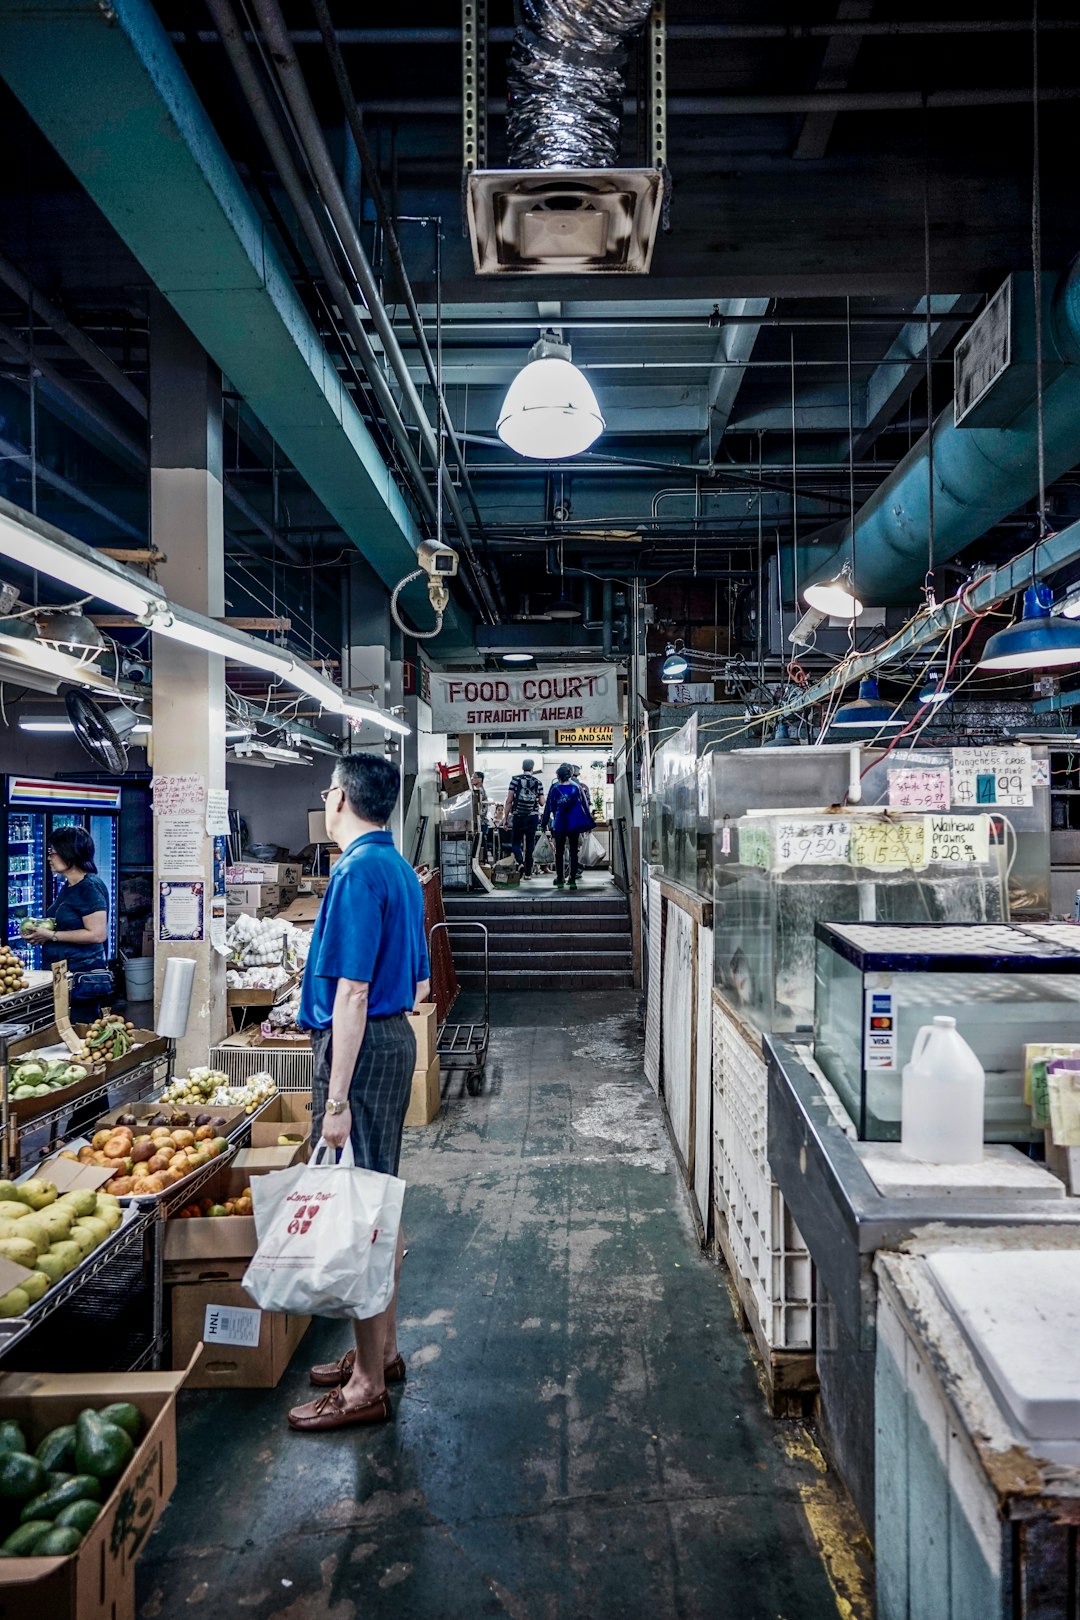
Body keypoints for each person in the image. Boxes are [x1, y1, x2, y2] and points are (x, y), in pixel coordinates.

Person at [288, 753, 431, 1433]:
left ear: (341, 799)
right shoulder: (399, 868)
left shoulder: (353, 871)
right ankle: (381, 1354)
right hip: (391, 1042)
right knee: (379, 1204)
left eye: (327, 789)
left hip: (361, 1048)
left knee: (361, 1215)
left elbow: (351, 991)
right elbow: (420, 981)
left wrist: (336, 1101)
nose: (325, 797)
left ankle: (366, 1386)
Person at [23, 827, 112, 1021]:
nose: (49, 858)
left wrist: (52, 936)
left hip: (81, 978)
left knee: (79, 1032)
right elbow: (67, 924)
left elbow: (97, 934)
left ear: (69, 852)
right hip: (63, 975)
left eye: (52, 852)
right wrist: (41, 931)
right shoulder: (69, 886)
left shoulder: (89, 887)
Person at [540, 763, 593, 890]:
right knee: (574, 852)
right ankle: (572, 879)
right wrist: (589, 822)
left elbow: (549, 807)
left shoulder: (554, 788)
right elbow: (585, 805)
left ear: (558, 776)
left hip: (559, 824)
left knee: (559, 852)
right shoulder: (577, 787)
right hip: (574, 824)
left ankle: (560, 879)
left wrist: (544, 823)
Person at [504, 757, 544, 880]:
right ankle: (528, 874)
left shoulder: (515, 780)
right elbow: (542, 802)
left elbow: (509, 800)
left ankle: (520, 862)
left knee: (516, 843)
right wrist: (536, 798)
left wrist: (506, 819)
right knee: (530, 845)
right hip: (532, 817)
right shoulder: (538, 782)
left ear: (522, 767)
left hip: (518, 816)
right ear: (532, 768)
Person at [472, 770, 490, 859]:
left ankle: (484, 862)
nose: (472, 779)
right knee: (481, 842)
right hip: (481, 822)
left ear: (480, 779)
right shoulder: (478, 790)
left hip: (482, 822)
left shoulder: (480, 791)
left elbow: (481, 809)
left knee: (481, 843)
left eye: (475, 777)